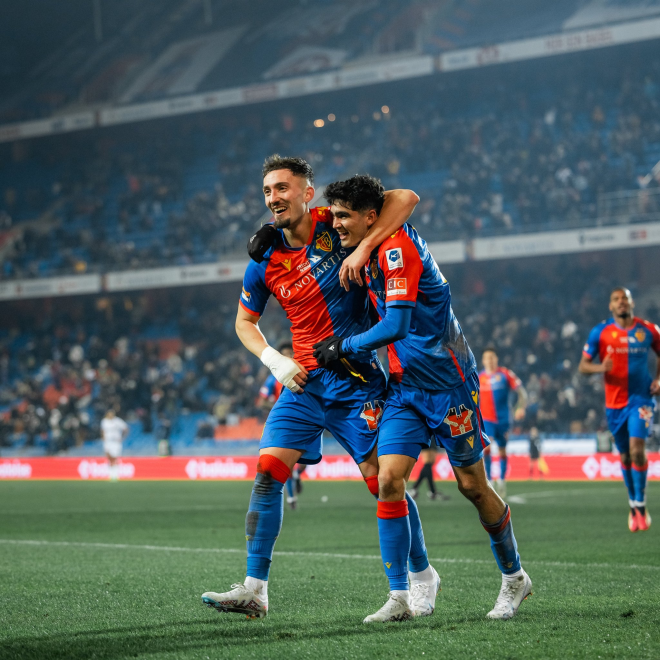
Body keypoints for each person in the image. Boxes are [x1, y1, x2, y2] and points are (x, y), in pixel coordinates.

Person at [201, 155, 433, 619]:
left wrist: (365, 248)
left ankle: (422, 575)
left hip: (357, 380)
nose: (274, 197)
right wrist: (274, 360)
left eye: (283, 188)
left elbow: (405, 199)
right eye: (267, 191)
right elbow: (244, 323)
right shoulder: (265, 259)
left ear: (309, 193)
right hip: (302, 383)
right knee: (268, 473)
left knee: (383, 482)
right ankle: (254, 588)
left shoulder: (338, 222)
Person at [313, 175, 531, 622]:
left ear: (370, 217)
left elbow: (394, 325)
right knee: (389, 480)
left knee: (472, 486)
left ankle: (514, 578)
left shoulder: (397, 251)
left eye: (342, 216)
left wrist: (345, 347)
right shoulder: (371, 242)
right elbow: (398, 199)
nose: (334, 224)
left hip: (449, 386)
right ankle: (403, 592)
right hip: (404, 389)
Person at [579, 287, 660, 532]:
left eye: (625, 298)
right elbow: (583, 366)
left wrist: (658, 379)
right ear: (610, 306)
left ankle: (641, 505)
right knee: (624, 456)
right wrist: (600, 368)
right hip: (615, 404)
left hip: (641, 399)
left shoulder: (648, 329)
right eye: (616, 299)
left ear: (632, 302)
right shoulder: (600, 332)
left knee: (637, 450)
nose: (621, 302)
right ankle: (633, 503)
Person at [257, 341, 305, 510]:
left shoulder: (304, 372)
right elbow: (261, 402)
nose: (289, 357)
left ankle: (299, 475)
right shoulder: (274, 378)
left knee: (306, 459)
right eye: (285, 354)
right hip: (285, 423)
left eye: (290, 353)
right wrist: (279, 408)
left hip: (306, 419)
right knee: (288, 462)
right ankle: (291, 499)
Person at [478, 348, 527, 498]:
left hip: (504, 420)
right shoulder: (479, 377)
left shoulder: (505, 374)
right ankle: (490, 481)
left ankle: (502, 481)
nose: (490, 360)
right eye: (487, 358)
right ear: (483, 361)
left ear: (496, 359)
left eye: (492, 357)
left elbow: (522, 392)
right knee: (487, 446)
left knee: (502, 451)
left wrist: (521, 407)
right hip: (486, 420)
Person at [100, 409, 128, 481]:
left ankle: (115, 475)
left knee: (115, 458)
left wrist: (122, 437)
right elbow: (102, 431)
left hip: (115, 442)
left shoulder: (117, 421)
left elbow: (126, 428)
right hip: (107, 441)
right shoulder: (104, 421)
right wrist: (103, 439)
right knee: (109, 457)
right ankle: (111, 474)